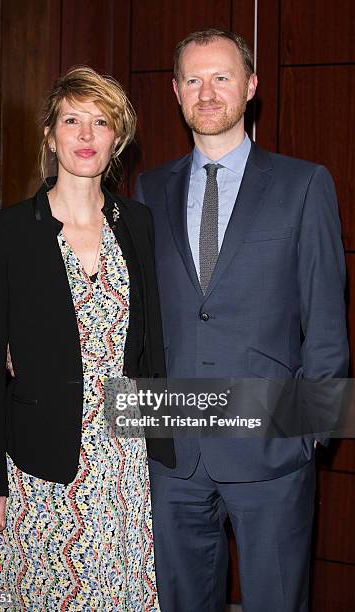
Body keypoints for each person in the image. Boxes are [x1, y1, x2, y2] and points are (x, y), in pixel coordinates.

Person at [135, 29, 348, 612]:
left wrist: (311, 437)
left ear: (251, 87)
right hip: (172, 452)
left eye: (222, 77)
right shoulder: (147, 189)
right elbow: (135, 319)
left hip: (273, 448)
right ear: (177, 92)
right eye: (194, 80)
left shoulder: (305, 184)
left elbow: (328, 324)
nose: (208, 92)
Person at [0, 65, 174, 610]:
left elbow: (153, 344)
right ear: (50, 135)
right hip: (41, 462)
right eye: (71, 120)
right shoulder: (7, 231)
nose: (86, 135)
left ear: (118, 139)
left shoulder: (141, 223)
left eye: (101, 122)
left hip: (124, 460)